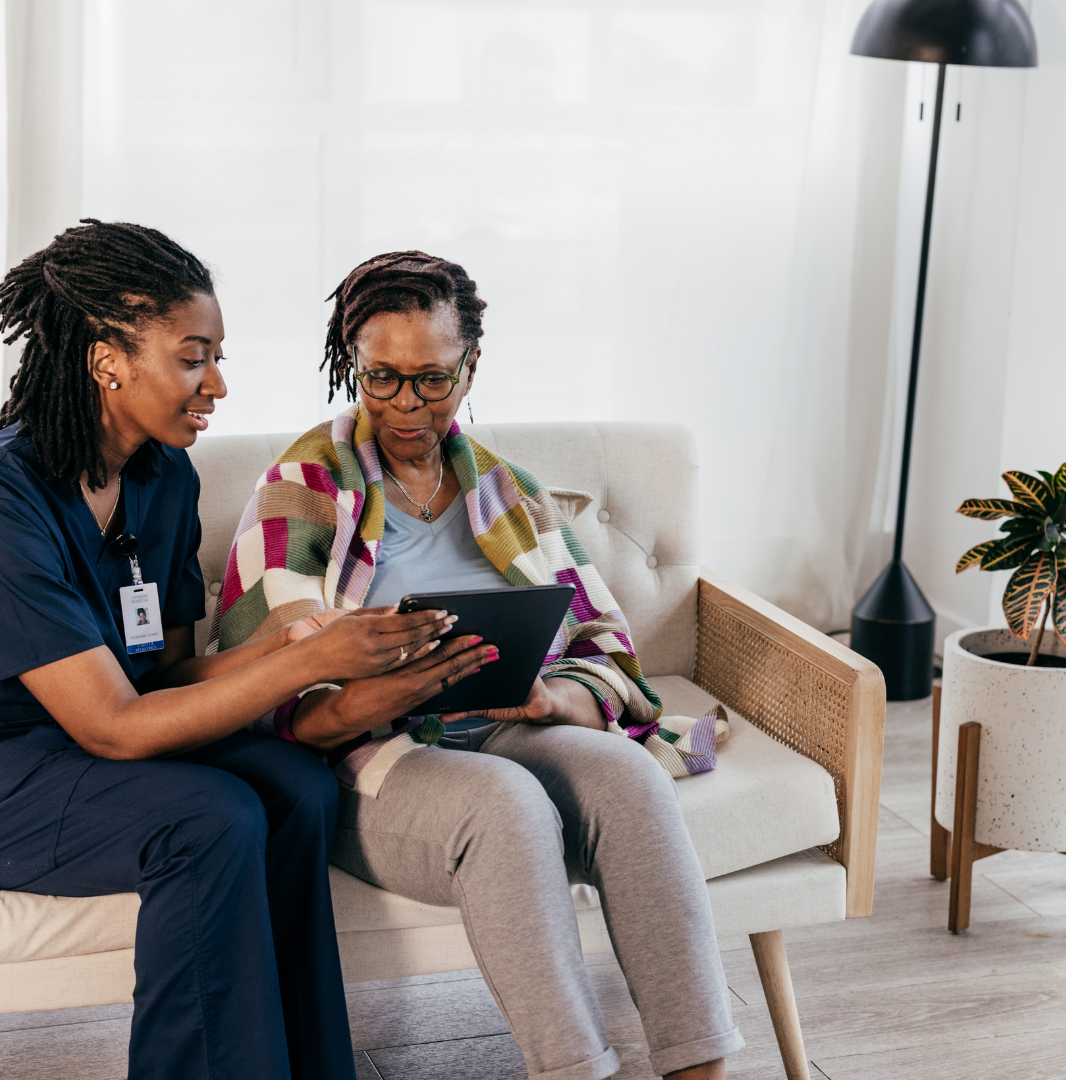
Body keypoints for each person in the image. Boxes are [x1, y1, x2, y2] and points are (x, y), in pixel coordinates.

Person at [213, 251, 745, 1080]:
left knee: (627, 780)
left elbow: (610, 652)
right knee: (505, 807)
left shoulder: (506, 490)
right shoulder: (304, 486)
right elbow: (276, 693)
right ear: (351, 362)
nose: (406, 405)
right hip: (373, 760)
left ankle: (700, 1068)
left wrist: (553, 699)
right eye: (381, 378)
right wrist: (380, 688)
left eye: (432, 379)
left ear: (471, 366)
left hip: (503, 728)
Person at [0, 224, 495, 1080]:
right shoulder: (10, 496)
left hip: (96, 738)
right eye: (195, 358)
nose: (217, 385)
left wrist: (301, 643)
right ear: (106, 357)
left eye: (216, 357)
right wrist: (300, 666)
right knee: (207, 817)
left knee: (298, 786)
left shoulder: (163, 476)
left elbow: (165, 677)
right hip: (18, 765)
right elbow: (116, 727)